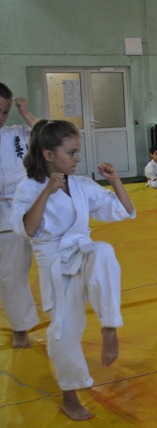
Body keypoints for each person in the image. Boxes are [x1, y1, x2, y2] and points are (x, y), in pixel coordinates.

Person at [11, 120, 135, 420]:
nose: (78, 158)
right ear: (48, 155)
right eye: (71, 153)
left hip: (83, 252)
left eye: (78, 152)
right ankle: (70, 397)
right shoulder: (28, 188)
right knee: (63, 333)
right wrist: (47, 192)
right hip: (55, 264)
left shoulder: (81, 185)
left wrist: (115, 180)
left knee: (103, 252)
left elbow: (124, 210)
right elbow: (27, 230)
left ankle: (109, 327)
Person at [0, 82, 39, 348]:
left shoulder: (17, 135)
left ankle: (20, 328)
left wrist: (26, 114)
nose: (1, 117)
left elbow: (50, 136)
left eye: (4, 112)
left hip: (13, 214)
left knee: (12, 275)